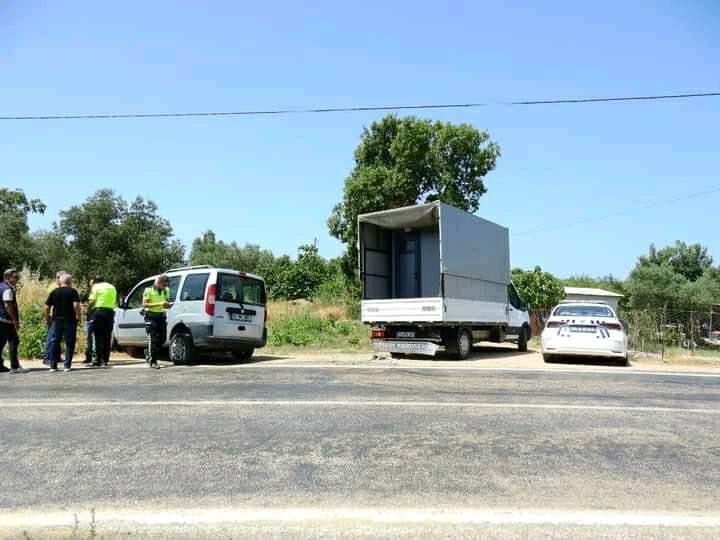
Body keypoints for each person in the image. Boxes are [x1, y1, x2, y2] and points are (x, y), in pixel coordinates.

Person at [45, 273, 81, 372]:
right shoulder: (73, 291)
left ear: (60, 281)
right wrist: (79, 316)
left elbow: (47, 306)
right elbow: (76, 305)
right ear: (70, 282)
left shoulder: (54, 292)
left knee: (55, 342)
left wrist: (47, 317)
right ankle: (67, 366)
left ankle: (53, 366)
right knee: (70, 342)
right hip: (70, 320)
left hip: (57, 320)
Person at [0, 268, 30, 374]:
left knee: (1, 342)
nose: (17, 279)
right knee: (14, 341)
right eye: (15, 277)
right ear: (7, 277)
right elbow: (8, 306)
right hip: (6, 320)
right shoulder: (7, 289)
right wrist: (15, 321)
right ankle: (15, 366)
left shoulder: (1, 286)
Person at [142, 274, 171, 369]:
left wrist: (168, 305)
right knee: (153, 339)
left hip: (161, 317)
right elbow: (145, 304)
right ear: (158, 282)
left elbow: (166, 302)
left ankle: (149, 352)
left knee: (162, 339)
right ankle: (153, 361)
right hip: (151, 317)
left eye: (166, 285)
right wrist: (160, 303)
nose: (165, 287)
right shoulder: (148, 290)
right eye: (163, 285)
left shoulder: (166, 290)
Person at [88, 276, 117, 368]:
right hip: (110, 312)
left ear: (95, 282)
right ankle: (106, 359)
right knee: (107, 336)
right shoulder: (112, 287)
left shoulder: (96, 287)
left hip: (99, 312)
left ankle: (98, 359)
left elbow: (92, 300)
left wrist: (88, 308)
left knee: (98, 336)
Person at [42, 271, 66, 365]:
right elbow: (48, 305)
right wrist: (47, 317)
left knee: (57, 337)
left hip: (57, 315)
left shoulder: (57, 287)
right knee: (52, 337)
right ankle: (47, 357)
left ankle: (56, 356)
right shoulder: (54, 288)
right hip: (54, 315)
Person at [83, 279, 96, 364]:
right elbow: (83, 303)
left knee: (94, 338)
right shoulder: (88, 294)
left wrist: (86, 308)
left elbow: (89, 304)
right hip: (89, 317)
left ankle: (95, 356)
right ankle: (88, 356)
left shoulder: (97, 293)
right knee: (88, 338)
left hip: (94, 317)